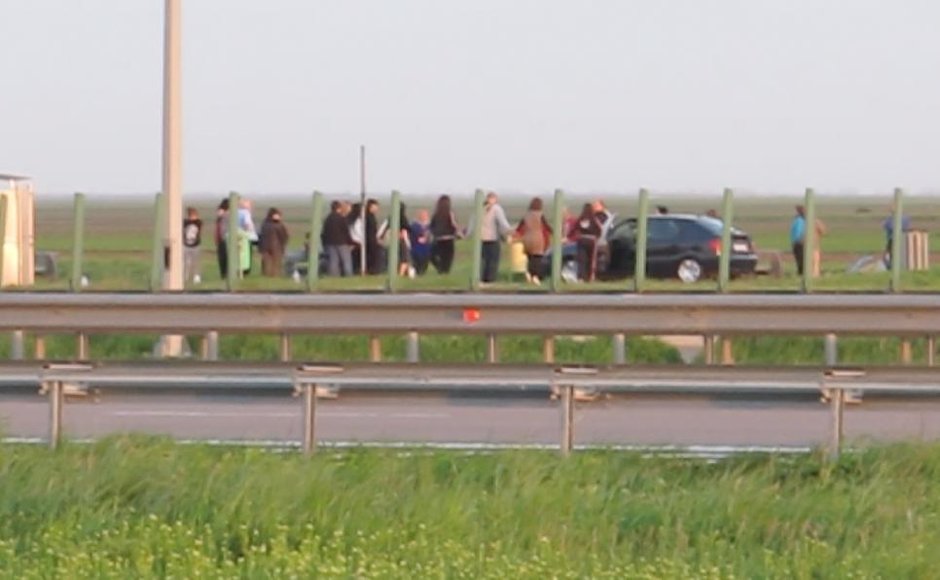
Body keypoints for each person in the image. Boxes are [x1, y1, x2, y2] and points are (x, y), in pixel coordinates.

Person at [467, 191, 512, 283]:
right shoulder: (496, 209)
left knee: (483, 262)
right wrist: (510, 232)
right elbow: (502, 223)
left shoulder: (479, 208)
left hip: (480, 240)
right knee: (493, 262)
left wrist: (467, 234)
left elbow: (472, 223)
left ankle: (481, 280)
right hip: (493, 239)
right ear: (495, 199)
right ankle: (490, 280)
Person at [515, 197, 552, 285]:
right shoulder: (540, 215)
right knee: (537, 259)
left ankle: (529, 273)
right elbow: (546, 226)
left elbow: (519, 228)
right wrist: (555, 232)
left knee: (530, 258)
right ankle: (535, 276)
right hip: (537, 239)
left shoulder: (526, 215)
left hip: (527, 239)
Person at [429, 195, 461, 274]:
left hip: (438, 239)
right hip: (449, 239)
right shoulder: (450, 214)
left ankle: (440, 270)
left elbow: (431, 226)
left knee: (437, 257)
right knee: (447, 259)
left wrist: (435, 233)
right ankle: (445, 273)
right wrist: (459, 234)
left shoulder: (436, 214)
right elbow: (454, 225)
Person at [323, 200, 355, 276]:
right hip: (342, 243)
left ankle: (333, 275)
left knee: (333, 261)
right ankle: (348, 275)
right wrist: (351, 242)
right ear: (339, 208)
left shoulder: (327, 219)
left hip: (330, 243)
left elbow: (324, 232)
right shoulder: (341, 218)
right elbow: (346, 232)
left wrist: (325, 243)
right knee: (346, 260)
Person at [573, 203, 603, 281]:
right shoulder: (594, 219)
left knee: (582, 260)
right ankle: (591, 277)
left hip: (581, 240)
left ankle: (581, 277)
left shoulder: (581, 219)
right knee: (591, 259)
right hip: (592, 241)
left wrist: (568, 237)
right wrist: (597, 236)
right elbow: (599, 230)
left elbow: (574, 228)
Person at [259, 207, 289, 277]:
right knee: (275, 264)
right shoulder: (279, 225)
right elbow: (284, 236)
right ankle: (274, 276)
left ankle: (266, 275)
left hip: (264, 246)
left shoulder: (264, 223)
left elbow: (261, 235)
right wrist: (283, 245)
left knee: (266, 263)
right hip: (276, 247)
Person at [182, 206, 202, 285]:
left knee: (196, 262)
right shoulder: (185, 222)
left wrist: (194, 219)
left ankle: (196, 277)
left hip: (196, 244)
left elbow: (198, 222)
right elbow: (184, 223)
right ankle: (185, 277)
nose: (194, 217)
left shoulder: (198, 223)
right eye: (192, 215)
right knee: (186, 262)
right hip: (186, 244)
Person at [238, 198, 258, 276]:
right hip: (245, 237)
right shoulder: (245, 213)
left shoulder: (235, 212)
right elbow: (247, 225)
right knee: (246, 256)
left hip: (237, 237)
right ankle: (245, 272)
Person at [409, 209, 432, 276]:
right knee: (417, 261)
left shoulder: (430, 225)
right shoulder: (414, 225)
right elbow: (411, 235)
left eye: (425, 215)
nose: (424, 217)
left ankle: (422, 273)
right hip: (416, 247)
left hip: (427, 247)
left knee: (425, 261)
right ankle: (417, 272)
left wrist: (427, 238)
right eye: (422, 215)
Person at [365, 199, 381, 274]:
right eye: (375, 207)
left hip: (372, 239)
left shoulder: (371, 216)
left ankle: (373, 270)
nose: (377, 209)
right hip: (370, 240)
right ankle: (372, 270)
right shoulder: (368, 216)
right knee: (372, 256)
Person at [214, 198, 229, 279]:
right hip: (224, 238)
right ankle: (225, 274)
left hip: (221, 238)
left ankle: (224, 274)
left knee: (222, 257)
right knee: (224, 257)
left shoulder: (220, 216)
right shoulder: (226, 215)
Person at [790, 205, 806, 276]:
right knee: (800, 259)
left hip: (798, 242)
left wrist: (796, 241)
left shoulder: (799, 220)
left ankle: (801, 273)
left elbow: (798, 232)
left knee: (800, 259)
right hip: (799, 242)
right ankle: (801, 272)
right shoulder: (802, 220)